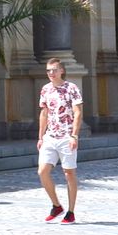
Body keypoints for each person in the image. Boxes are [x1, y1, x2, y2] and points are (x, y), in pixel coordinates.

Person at [37, 56, 83, 224]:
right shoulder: (45, 89)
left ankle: (70, 211)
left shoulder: (71, 88)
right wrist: (40, 136)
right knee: (42, 171)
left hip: (66, 136)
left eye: (54, 70)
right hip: (50, 136)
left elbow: (78, 113)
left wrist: (74, 135)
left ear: (61, 70)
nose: (51, 73)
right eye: (48, 70)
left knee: (69, 173)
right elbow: (44, 113)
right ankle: (56, 205)